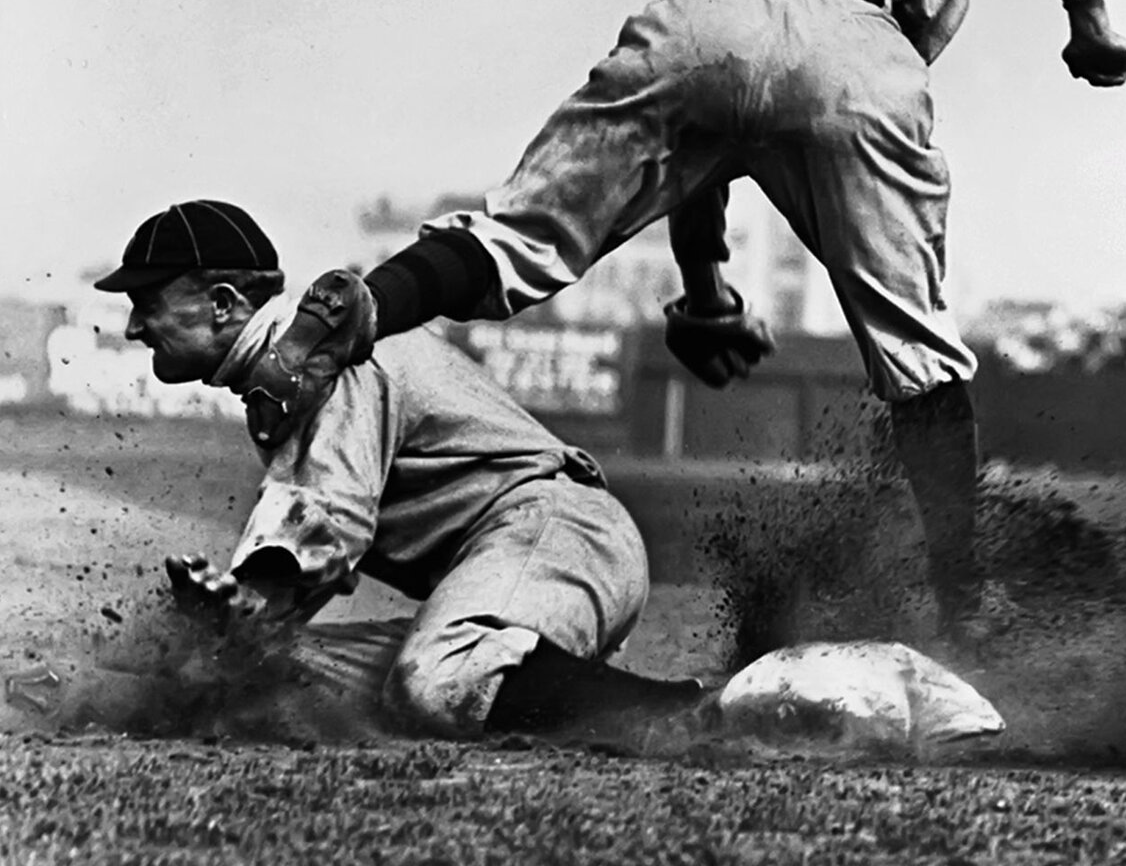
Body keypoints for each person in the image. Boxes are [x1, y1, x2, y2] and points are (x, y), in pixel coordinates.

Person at [239, 0, 1126, 645]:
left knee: (517, 235)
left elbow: (699, 162)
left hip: (701, 26)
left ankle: (369, 302)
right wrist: (1090, 17)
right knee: (919, 353)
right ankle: (965, 597)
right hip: (856, 51)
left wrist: (706, 296)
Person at [101, 199, 705, 738]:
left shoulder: (330, 359)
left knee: (437, 682)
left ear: (223, 304)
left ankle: (696, 716)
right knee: (266, 677)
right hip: (509, 570)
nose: (133, 325)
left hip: (556, 533)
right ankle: (532, 676)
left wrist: (247, 605)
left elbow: (329, 521)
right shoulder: (289, 375)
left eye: (148, 302)